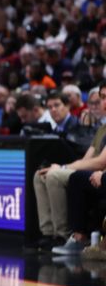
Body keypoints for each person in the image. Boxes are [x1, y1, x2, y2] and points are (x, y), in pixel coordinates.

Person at [33, 82, 106, 251]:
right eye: (102, 98)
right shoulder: (102, 128)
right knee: (40, 175)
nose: (104, 102)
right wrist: (64, 167)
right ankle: (48, 233)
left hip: (100, 172)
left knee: (55, 176)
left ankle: (63, 235)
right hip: (91, 169)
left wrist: (63, 168)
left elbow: (100, 162)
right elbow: (87, 158)